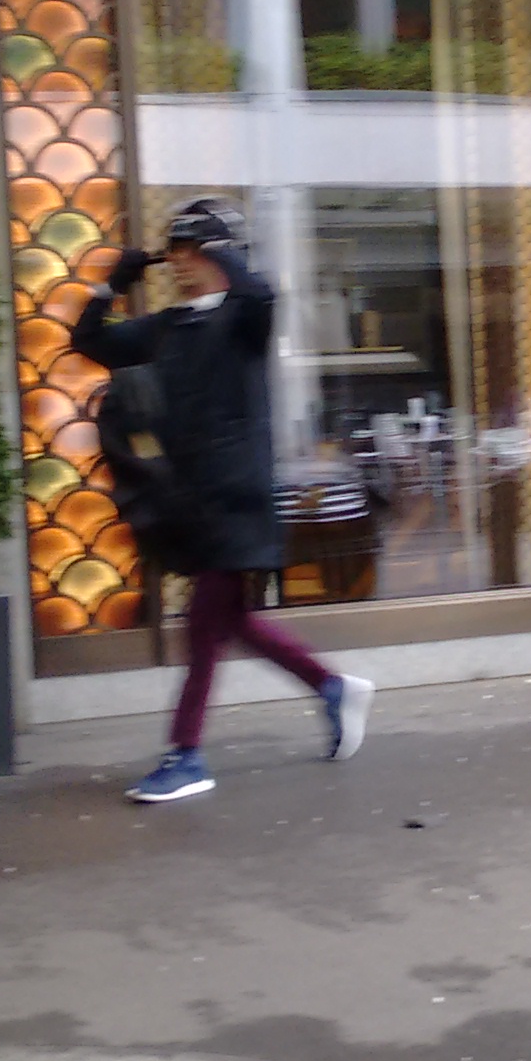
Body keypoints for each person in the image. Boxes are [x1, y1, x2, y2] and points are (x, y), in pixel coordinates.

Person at [70, 199, 375, 802]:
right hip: (192, 504)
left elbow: (261, 294)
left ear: (219, 254)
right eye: (175, 252)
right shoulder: (168, 327)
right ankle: (332, 687)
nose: (180, 262)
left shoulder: (242, 319)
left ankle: (185, 755)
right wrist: (113, 285)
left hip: (237, 502)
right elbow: (90, 341)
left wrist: (222, 248)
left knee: (203, 631)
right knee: (230, 622)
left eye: (192, 251)